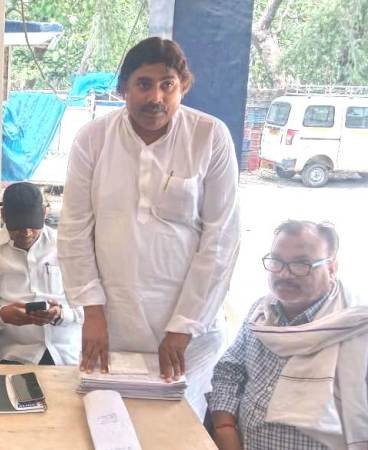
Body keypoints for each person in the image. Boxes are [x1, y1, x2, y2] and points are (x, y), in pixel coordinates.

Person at [58, 36, 240, 416]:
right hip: (113, 324)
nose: (155, 97)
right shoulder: (93, 139)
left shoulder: (210, 136)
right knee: (110, 424)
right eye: (143, 84)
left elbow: (221, 239)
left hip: (188, 331)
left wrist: (183, 327)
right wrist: (92, 311)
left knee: (175, 427)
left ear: (183, 86)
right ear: (123, 88)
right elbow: (74, 230)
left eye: (167, 85)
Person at [207, 221, 368, 450]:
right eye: (276, 261)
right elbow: (230, 371)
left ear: (332, 268)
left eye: (301, 264)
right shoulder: (261, 313)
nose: (284, 273)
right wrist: (224, 428)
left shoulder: (356, 330)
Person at [0, 182, 83, 365]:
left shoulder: (68, 247)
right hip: (16, 356)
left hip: (68, 355)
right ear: (3, 215)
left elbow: (90, 306)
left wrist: (61, 315)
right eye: (18, 225)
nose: (26, 232)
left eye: (32, 224)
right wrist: (3, 315)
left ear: (45, 213)